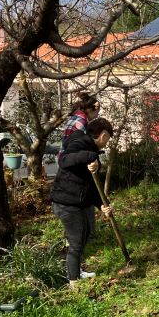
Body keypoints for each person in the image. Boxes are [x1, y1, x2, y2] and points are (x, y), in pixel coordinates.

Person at [51, 117, 114, 288]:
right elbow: (64, 160)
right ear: (103, 135)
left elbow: (91, 185)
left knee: (86, 234)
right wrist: (89, 157)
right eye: (108, 138)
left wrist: (102, 204)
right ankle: (73, 283)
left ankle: (76, 270)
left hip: (80, 200)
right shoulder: (79, 142)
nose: (107, 142)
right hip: (67, 202)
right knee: (76, 241)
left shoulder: (92, 150)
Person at [59, 92, 101, 157]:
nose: (97, 116)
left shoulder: (74, 117)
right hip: (71, 158)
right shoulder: (82, 122)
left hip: (64, 156)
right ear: (90, 110)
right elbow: (81, 144)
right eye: (97, 112)